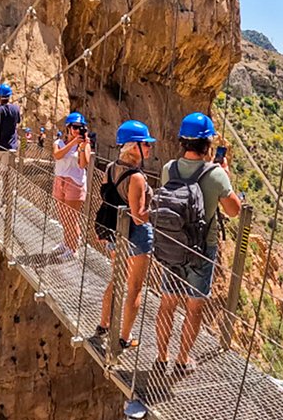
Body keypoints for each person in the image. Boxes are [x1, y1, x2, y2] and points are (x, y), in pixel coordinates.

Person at [153, 112, 241, 376]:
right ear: (208, 144)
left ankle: (160, 357)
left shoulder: (169, 168)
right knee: (194, 307)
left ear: (183, 141)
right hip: (203, 248)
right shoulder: (216, 174)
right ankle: (182, 359)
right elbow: (234, 210)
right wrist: (225, 175)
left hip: (171, 245)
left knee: (167, 302)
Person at [87, 120, 154, 358]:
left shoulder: (110, 168)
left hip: (115, 232)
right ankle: (124, 338)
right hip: (135, 236)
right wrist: (159, 209)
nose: (149, 149)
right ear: (134, 147)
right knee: (134, 287)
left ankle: (103, 325)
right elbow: (138, 217)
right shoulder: (136, 177)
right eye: (145, 144)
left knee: (116, 280)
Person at [51, 112, 91, 260]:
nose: (77, 130)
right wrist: (72, 143)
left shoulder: (84, 145)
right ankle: (67, 242)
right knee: (63, 216)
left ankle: (73, 249)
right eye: (74, 127)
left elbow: (83, 164)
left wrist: (81, 146)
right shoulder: (59, 143)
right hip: (59, 180)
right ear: (68, 127)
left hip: (75, 183)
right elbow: (57, 155)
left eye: (80, 127)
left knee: (71, 217)